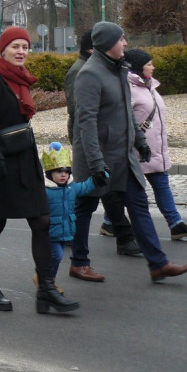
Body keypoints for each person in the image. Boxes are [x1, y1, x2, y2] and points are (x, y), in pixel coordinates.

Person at [70, 21, 187, 283]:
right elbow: (86, 123)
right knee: (85, 208)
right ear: (106, 44)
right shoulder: (89, 75)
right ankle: (79, 263)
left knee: (139, 206)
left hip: (123, 157)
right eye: (121, 39)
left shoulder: (120, 70)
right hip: (98, 158)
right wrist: (95, 163)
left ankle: (158, 264)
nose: (125, 43)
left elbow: (127, 113)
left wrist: (140, 141)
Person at [0, 26, 79, 314]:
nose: (21, 51)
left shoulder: (21, 81)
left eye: (25, 46)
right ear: (3, 49)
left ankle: (46, 290)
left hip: (24, 161)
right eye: (15, 46)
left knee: (42, 221)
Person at [64, 29, 138, 256]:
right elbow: (80, 114)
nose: (125, 43)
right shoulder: (82, 72)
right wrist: (91, 148)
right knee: (90, 198)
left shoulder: (110, 69)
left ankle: (119, 233)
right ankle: (76, 246)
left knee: (105, 193)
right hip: (90, 142)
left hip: (104, 142)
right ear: (92, 48)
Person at [124, 48, 187, 240]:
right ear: (138, 67)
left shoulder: (150, 87)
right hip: (138, 151)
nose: (153, 67)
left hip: (156, 149)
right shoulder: (128, 89)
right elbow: (123, 121)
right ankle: (110, 222)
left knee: (161, 185)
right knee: (131, 191)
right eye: (149, 64)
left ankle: (176, 224)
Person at [40, 142, 96, 288]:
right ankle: (47, 282)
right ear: (49, 174)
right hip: (49, 232)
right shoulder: (45, 191)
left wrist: (98, 177)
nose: (63, 174)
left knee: (56, 258)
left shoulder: (72, 187)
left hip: (65, 231)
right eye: (58, 171)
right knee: (56, 255)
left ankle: (48, 280)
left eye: (66, 171)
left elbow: (85, 187)